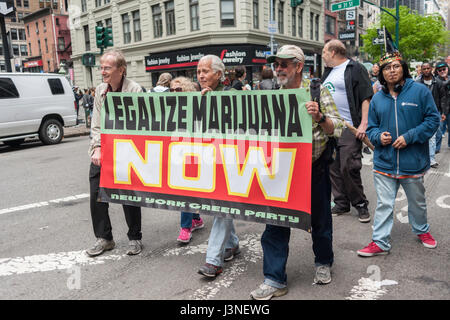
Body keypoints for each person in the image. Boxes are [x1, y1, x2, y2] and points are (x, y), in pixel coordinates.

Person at [250, 45, 344, 300]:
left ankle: (323, 262)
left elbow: (337, 128)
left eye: (284, 64)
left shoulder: (317, 91)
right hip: (279, 173)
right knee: (275, 224)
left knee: (321, 221)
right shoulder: (269, 95)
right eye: (276, 64)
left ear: (299, 66)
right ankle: (274, 278)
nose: (278, 69)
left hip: (314, 170)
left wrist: (320, 116)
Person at [357, 51, 440, 257]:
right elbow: (371, 127)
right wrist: (378, 137)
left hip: (412, 161)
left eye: (395, 66)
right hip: (384, 162)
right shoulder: (377, 98)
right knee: (384, 204)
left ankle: (422, 230)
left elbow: (433, 120)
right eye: (386, 68)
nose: (391, 71)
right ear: (381, 74)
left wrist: (410, 137)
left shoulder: (420, 91)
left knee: (417, 202)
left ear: (403, 68)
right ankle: (380, 241)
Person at [86, 49, 144, 257]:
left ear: (121, 69)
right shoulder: (100, 90)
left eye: (107, 68)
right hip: (103, 151)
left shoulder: (135, 90)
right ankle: (104, 238)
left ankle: (135, 238)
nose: (103, 71)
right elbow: (96, 124)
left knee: (129, 195)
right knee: (96, 195)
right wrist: (98, 148)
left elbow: (140, 124)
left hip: (127, 152)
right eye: (101, 67)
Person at [196, 55, 240, 278]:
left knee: (222, 206)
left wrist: (213, 101)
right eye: (199, 71)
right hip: (210, 160)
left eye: (205, 71)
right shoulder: (196, 96)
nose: (201, 75)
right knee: (219, 206)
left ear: (219, 74)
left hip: (230, 161)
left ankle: (213, 260)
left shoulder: (233, 94)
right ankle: (232, 243)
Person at [321, 40, 373, 223]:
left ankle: (360, 204)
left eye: (324, 52)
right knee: (333, 167)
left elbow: (366, 97)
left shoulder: (355, 68)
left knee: (348, 166)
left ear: (334, 52)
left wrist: (363, 125)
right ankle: (341, 203)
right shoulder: (327, 72)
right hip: (329, 128)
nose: (322, 55)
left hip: (349, 127)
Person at [169, 76, 206, 243]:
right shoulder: (168, 107)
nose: (175, 93)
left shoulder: (197, 103)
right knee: (186, 188)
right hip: (179, 151)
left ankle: (187, 226)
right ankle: (193, 220)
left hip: (197, 150)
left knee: (191, 188)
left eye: (179, 89)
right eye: (172, 90)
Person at [416, 62, 447, 167]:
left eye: (428, 68)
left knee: (434, 135)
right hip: (420, 112)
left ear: (431, 69)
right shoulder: (417, 83)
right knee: (421, 134)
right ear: (421, 70)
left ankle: (431, 159)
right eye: (424, 69)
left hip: (434, 112)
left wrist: (443, 112)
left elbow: (443, 98)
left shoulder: (438, 82)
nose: (426, 70)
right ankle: (422, 157)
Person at [434, 61, 450, 152]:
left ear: (447, 69)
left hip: (449, 108)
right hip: (440, 109)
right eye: (440, 70)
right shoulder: (436, 81)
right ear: (437, 71)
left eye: (444, 69)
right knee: (439, 129)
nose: (442, 71)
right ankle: (436, 148)